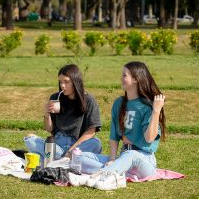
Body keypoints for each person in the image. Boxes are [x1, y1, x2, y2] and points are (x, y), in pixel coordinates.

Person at [69, 61, 166, 190]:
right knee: (79, 157)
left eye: (125, 75)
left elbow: (149, 139)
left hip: (143, 161)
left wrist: (156, 111)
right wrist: (113, 158)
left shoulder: (147, 106)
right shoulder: (119, 103)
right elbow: (114, 136)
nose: (121, 78)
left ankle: (93, 177)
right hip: (122, 157)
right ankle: (116, 173)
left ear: (136, 79)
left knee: (131, 155)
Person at [24, 64, 102, 166]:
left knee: (96, 143)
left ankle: (55, 159)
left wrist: (71, 150)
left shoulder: (89, 100)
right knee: (30, 140)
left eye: (66, 82)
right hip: (57, 144)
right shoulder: (56, 97)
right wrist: (47, 114)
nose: (62, 85)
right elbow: (49, 129)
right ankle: (67, 160)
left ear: (75, 81)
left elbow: (91, 131)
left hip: (78, 144)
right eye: (60, 82)